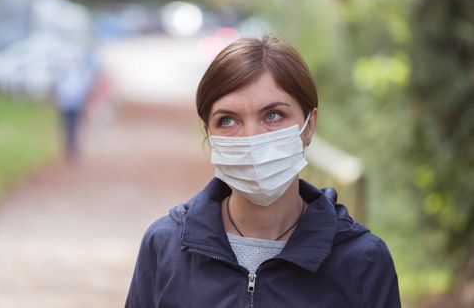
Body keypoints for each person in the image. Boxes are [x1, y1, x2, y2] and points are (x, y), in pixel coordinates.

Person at [125, 36, 401, 307]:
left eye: (272, 115)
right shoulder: (165, 247)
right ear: (209, 133)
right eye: (228, 120)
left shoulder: (362, 261)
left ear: (309, 125)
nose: (251, 137)